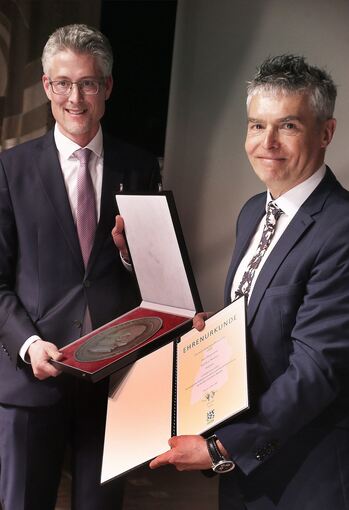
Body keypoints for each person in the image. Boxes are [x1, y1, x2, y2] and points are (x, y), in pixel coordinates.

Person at [149, 55, 349, 509]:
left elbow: (318, 369)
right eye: (257, 126)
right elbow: (263, 318)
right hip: (247, 474)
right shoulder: (253, 212)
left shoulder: (341, 228)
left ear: (326, 133)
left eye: (288, 126)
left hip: (306, 477)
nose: (267, 143)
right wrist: (213, 333)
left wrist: (222, 447)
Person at [0, 23, 160, 510]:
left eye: (88, 83)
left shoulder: (140, 167)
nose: (76, 97)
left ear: (107, 88)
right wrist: (27, 344)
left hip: (113, 383)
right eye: (63, 83)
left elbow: (154, 272)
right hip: (33, 377)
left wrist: (134, 254)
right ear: (48, 86)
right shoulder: (10, 169)